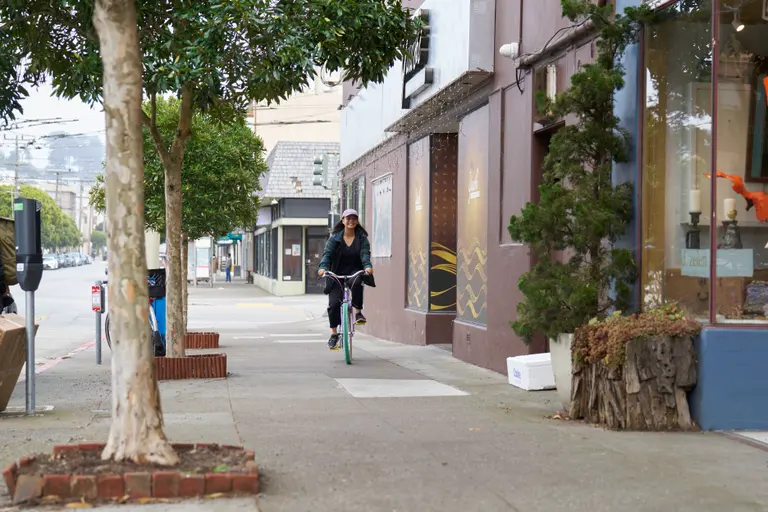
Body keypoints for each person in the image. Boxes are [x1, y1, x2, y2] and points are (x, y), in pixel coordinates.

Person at [318, 209, 375, 350]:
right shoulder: (334, 239)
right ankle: (334, 334)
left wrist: (367, 266)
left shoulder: (362, 239)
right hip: (336, 273)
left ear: (357, 221)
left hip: (354, 271)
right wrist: (323, 268)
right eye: (348, 218)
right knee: (333, 304)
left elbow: (365, 255)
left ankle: (358, 312)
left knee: (357, 283)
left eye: (354, 218)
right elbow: (327, 255)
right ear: (342, 220)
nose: (351, 221)